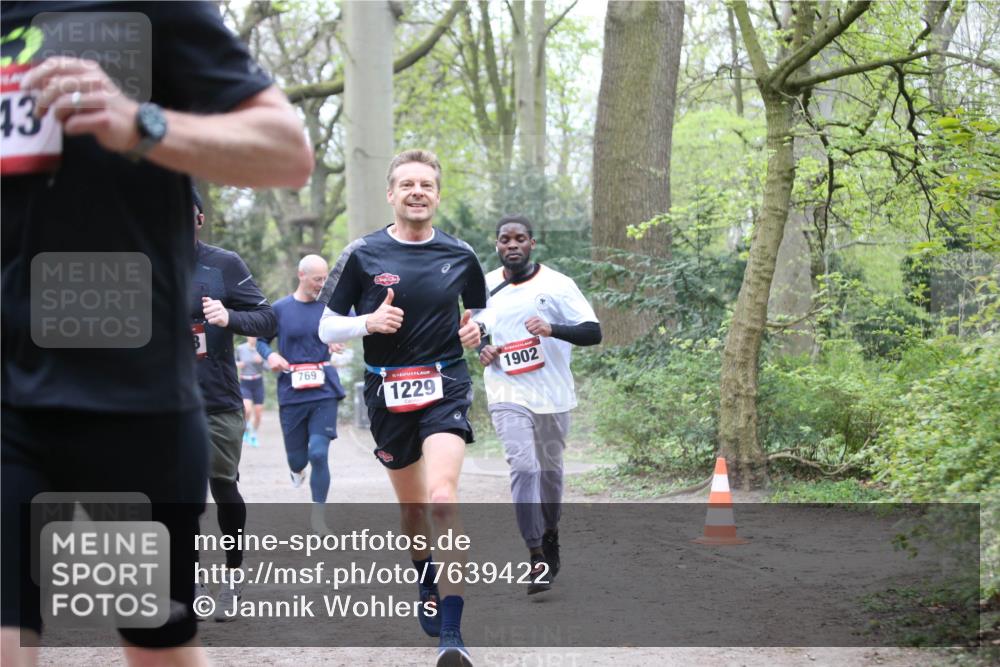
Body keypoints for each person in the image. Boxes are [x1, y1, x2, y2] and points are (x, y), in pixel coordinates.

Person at [1, 3, 311, 665]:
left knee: (152, 641)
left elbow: (287, 151)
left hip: (128, 401)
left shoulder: (149, 9)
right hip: (7, 397)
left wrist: (140, 123)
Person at [318, 149, 486, 667]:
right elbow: (325, 327)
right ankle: (425, 576)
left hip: (445, 384)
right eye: (407, 184)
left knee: (442, 498)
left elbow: (482, 310)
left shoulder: (460, 253)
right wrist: (367, 323)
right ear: (391, 194)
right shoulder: (362, 254)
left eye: (426, 185)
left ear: (437, 195)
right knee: (413, 510)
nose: (417, 192)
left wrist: (479, 329)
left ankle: (452, 634)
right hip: (387, 391)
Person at [476, 215, 601, 594]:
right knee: (524, 467)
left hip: (552, 395)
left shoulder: (558, 285)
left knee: (550, 473)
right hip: (507, 391)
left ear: (532, 243)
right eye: (505, 239)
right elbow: (477, 330)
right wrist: (483, 349)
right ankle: (535, 555)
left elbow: (593, 332)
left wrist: (552, 328)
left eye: (520, 239)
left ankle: (550, 534)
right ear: (497, 245)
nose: (512, 245)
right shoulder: (485, 284)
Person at [190, 187, 276, 620]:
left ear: (199, 217)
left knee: (223, 488)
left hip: (216, 400)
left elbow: (267, 317)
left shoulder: (223, 264)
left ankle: (233, 575)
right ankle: (190, 579)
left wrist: (229, 317)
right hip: (163, 405)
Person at [256, 255, 346, 533]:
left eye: (325, 279)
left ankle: (318, 518)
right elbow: (261, 342)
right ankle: (297, 470)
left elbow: (349, 326)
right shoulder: (280, 309)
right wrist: (270, 356)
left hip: (324, 391)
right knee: (298, 459)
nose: (322, 284)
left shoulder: (329, 308)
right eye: (317, 279)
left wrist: (338, 340)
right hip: (291, 392)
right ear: (301, 275)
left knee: (318, 453)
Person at [236, 336, 266, 448]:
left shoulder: (261, 349)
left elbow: (268, 367)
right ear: (247, 336)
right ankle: (246, 429)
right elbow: (234, 361)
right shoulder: (240, 348)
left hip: (258, 382)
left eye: (255, 336)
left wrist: (261, 361)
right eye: (251, 336)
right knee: (247, 410)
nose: (253, 338)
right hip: (245, 382)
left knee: (258, 414)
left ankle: (253, 435)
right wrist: (238, 364)